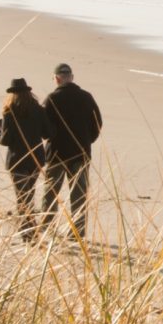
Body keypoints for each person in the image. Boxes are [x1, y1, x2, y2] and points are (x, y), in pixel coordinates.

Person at [42, 62, 102, 237]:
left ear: (57, 79)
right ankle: (77, 231)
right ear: (72, 78)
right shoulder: (86, 97)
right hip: (81, 153)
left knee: (50, 193)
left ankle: (47, 228)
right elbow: (97, 123)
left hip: (56, 153)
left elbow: (45, 128)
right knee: (79, 195)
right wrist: (87, 140)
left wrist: (51, 137)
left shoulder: (52, 98)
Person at [0, 77, 51, 242]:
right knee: (28, 194)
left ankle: (28, 232)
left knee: (22, 197)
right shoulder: (38, 110)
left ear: (12, 94)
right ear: (29, 93)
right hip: (35, 159)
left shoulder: (9, 112)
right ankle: (28, 229)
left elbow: (4, 140)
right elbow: (48, 133)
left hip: (17, 161)